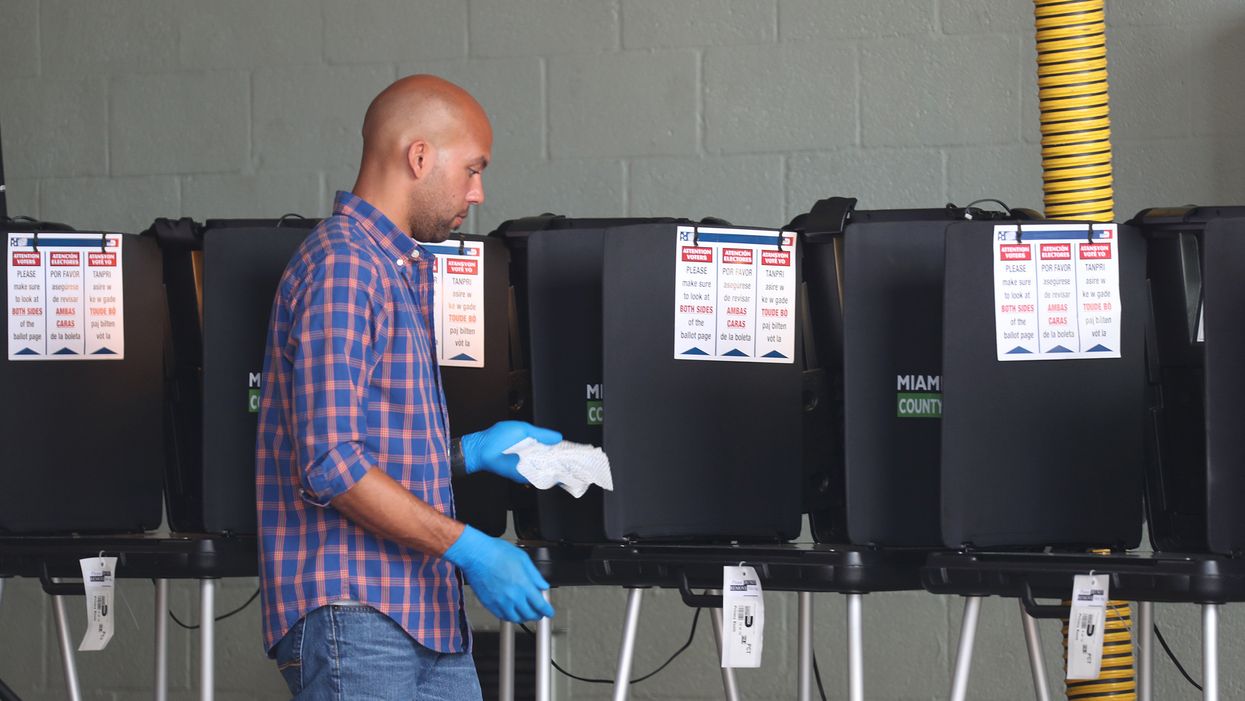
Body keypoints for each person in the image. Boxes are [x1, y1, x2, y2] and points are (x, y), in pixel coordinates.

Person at [256, 74, 558, 700]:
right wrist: (473, 548)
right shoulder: (345, 264)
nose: (478, 193)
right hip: (357, 613)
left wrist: (470, 452)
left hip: (422, 613)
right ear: (419, 157)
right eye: (473, 169)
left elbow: (369, 451)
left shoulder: (389, 267)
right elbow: (332, 464)